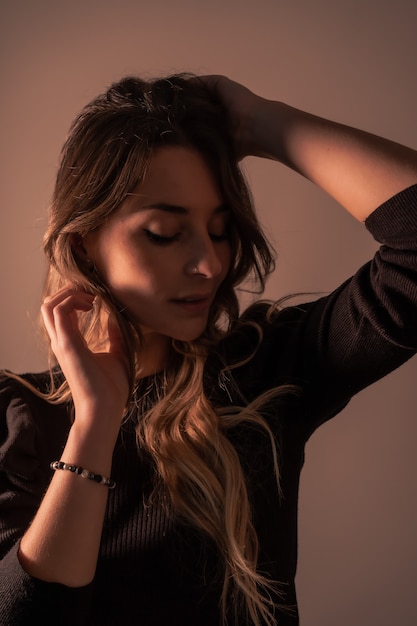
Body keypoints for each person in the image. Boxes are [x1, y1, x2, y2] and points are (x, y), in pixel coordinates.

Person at [0, 73, 416, 626]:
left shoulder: (262, 369)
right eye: (165, 233)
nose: (209, 265)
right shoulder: (14, 419)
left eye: (219, 231)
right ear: (85, 244)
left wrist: (263, 123)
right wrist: (95, 424)